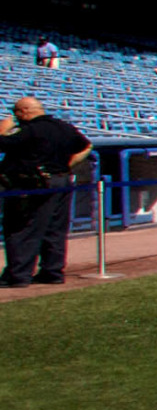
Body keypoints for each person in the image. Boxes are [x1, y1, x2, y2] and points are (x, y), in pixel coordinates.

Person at [0, 95, 92, 286]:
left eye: (16, 113)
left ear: (24, 112)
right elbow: (86, 145)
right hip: (61, 180)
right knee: (54, 229)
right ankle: (52, 272)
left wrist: (3, 128)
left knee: (22, 229)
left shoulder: (30, 130)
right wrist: (69, 165)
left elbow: (3, 143)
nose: (15, 117)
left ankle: (19, 276)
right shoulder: (63, 126)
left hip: (33, 185)